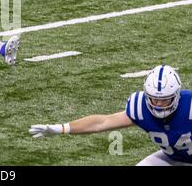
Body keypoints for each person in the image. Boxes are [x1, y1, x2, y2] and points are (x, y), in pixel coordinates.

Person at [29, 65, 192, 166]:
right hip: (170, 159)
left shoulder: (189, 106)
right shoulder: (139, 107)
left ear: (176, 96)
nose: (158, 104)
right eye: (154, 99)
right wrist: (62, 128)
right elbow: (102, 122)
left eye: (164, 100)